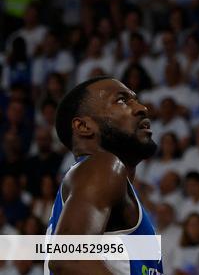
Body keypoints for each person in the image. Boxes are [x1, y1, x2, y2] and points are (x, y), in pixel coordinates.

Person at [46, 76, 163, 275]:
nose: (142, 108)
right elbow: (70, 259)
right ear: (83, 126)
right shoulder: (103, 165)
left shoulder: (93, 180)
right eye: (121, 100)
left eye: (135, 99)